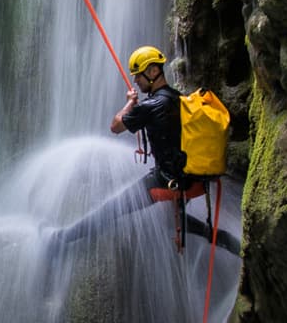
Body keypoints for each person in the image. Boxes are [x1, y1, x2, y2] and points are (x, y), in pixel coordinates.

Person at [42, 45, 200, 264]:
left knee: (112, 210)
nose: (135, 81)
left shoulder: (152, 105)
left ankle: (61, 239)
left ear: (153, 72)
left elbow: (115, 126)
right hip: (188, 175)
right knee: (174, 221)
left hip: (167, 180)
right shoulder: (179, 98)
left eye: (138, 75)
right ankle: (230, 242)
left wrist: (130, 102)